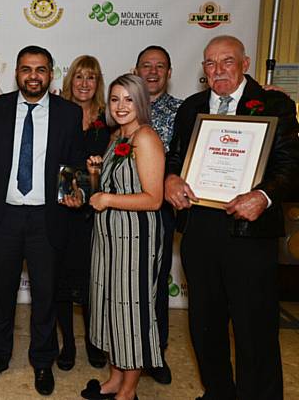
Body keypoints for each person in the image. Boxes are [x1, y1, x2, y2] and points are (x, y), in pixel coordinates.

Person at [165, 35, 299, 400]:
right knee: (204, 325)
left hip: (249, 231)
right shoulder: (192, 107)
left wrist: (264, 195)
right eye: (210, 63)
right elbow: (176, 158)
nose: (217, 69)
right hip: (200, 229)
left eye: (227, 61)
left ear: (246, 63)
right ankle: (218, 392)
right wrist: (171, 179)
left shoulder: (274, 104)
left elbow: (291, 165)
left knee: (254, 327)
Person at [0, 45, 86, 396]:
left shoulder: (68, 113)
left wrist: (74, 193)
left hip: (48, 219)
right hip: (5, 217)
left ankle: (42, 362)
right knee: (2, 294)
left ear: (50, 73)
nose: (33, 76)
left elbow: (72, 163)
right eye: (27, 69)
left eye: (41, 69)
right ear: (17, 73)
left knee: (45, 296)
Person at [81, 74, 164, 400]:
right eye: (115, 99)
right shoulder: (117, 136)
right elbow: (107, 189)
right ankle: (115, 379)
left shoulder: (146, 138)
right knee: (113, 308)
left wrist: (109, 200)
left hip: (136, 240)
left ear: (141, 101)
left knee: (131, 310)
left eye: (129, 99)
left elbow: (153, 198)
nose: (121, 106)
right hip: (110, 238)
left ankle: (128, 391)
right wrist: (94, 174)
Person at [55, 55, 109, 372]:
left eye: (91, 77)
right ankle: (69, 345)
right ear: (70, 80)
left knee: (92, 281)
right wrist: (67, 194)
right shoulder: (58, 114)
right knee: (61, 279)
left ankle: (93, 341)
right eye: (79, 76)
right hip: (63, 209)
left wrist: (95, 179)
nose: (84, 83)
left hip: (96, 213)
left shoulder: (109, 118)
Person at [133, 45, 183, 385]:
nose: (153, 72)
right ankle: (124, 353)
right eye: (146, 66)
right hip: (122, 213)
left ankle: (155, 354)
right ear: (136, 70)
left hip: (159, 214)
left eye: (160, 66)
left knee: (155, 287)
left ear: (168, 72)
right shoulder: (123, 108)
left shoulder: (185, 111)